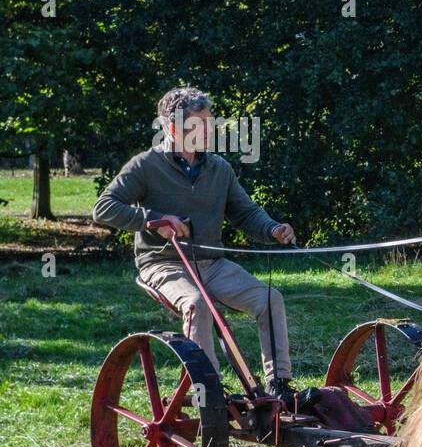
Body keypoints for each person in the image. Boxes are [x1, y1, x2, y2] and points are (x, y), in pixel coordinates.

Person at [93, 86, 299, 402]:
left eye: (209, 122)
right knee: (197, 304)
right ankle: (210, 390)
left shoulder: (219, 168)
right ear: (173, 128)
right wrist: (153, 220)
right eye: (199, 124)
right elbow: (104, 208)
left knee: (270, 299)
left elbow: (245, 213)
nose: (208, 130)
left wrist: (273, 230)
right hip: (163, 264)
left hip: (213, 264)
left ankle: (280, 385)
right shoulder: (145, 166)